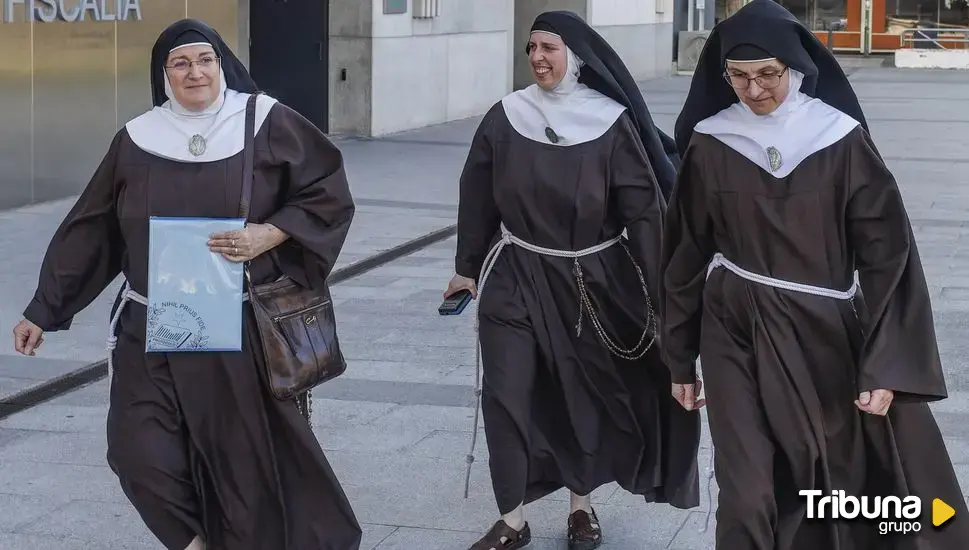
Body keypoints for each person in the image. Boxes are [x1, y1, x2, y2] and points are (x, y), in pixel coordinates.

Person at [11, 19, 361, 550]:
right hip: (152, 324)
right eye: (181, 62)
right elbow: (95, 226)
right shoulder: (136, 139)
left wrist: (269, 234)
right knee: (137, 454)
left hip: (236, 327)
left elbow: (327, 193)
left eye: (205, 60)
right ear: (164, 74)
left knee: (240, 466)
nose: (195, 71)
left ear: (222, 64)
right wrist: (44, 308)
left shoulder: (267, 122)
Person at [661, 1, 969, 548]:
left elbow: (887, 256)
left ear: (796, 70)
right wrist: (679, 356)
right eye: (738, 77)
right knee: (746, 487)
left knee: (823, 475)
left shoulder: (839, 139)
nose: (754, 91)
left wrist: (886, 365)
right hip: (733, 324)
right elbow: (685, 253)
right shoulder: (711, 142)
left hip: (821, 326)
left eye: (768, 75)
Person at [445, 10, 701, 550]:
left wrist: (661, 303)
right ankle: (512, 520)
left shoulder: (609, 123)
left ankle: (580, 508)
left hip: (591, 281)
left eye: (549, 48)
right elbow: (477, 194)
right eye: (532, 47)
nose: (537, 57)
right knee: (508, 394)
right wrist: (467, 268)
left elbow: (645, 218)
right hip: (515, 273)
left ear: (576, 58)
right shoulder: (506, 116)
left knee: (578, 396)